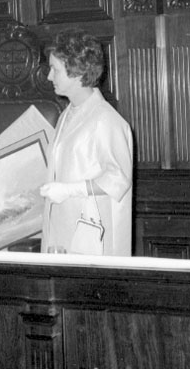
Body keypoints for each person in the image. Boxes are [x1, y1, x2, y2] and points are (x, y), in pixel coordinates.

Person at [40, 28, 133, 256]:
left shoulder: (106, 119)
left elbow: (118, 179)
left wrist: (70, 190)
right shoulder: (67, 114)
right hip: (62, 228)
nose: (49, 76)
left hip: (92, 238)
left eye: (55, 69)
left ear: (77, 72)